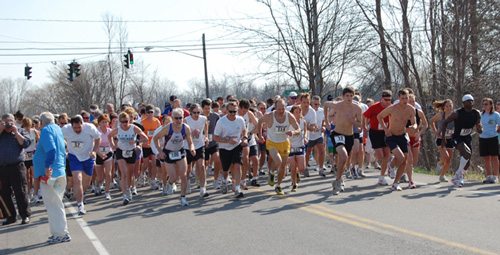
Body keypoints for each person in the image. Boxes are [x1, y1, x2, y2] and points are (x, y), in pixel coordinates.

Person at [33, 112, 71, 244]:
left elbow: (51, 150)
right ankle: (57, 232)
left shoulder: (46, 131)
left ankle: (61, 234)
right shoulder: (57, 129)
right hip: (59, 170)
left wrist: (47, 167)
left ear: (42, 122)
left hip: (51, 173)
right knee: (55, 204)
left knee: (53, 204)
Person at [153, 108, 196, 205]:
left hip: (180, 152)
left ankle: (183, 197)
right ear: (173, 118)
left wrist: (192, 149)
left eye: (180, 118)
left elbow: (190, 142)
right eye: (176, 118)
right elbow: (156, 138)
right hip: (168, 153)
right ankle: (170, 183)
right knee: (174, 177)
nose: (178, 120)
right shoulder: (168, 128)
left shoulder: (186, 128)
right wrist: (160, 151)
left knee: (184, 176)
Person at [324, 87, 362, 195]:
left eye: (351, 96)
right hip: (337, 133)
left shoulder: (357, 108)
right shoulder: (337, 105)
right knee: (344, 156)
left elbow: (361, 124)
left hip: (349, 135)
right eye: (347, 96)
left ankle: (338, 179)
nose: (349, 98)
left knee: (344, 159)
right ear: (343, 96)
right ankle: (339, 180)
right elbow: (326, 105)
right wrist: (327, 122)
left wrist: (352, 121)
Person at [258, 99, 301, 195]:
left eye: (283, 108)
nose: (281, 111)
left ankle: (278, 185)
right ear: (275, 107)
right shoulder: (270, 116)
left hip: (284, 142)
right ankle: (272, 172)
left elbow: (298, 129)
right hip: (272, 142)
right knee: (278, 161)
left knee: (283, 166)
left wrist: (293, 132)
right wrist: (260, 135)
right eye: (279, 109)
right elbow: (260, 121)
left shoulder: (289, 116)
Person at [377, 89, 416, 191]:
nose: (405, 100)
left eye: (406, 98)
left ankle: (395, 183)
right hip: (391, 136)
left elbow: (414, 122)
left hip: (402, 135)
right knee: (401, 157)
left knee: (404, 160)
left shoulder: (411, 109)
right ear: (398, 98)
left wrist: (414, 127)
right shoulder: (392, 108)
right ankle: (391, 165)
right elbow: (379, 116)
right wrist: (385, 130)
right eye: (402, 98)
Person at [62, 116, 102, 215]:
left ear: (82, 124)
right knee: (77, 179)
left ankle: (82, 193)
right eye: (75, 128)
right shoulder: (65, 129)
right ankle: (80, 205)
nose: (77, 130)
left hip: (88, 157)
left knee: (86, 182)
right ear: (71, 126)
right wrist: (64, 148)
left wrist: (94, 151)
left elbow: (98, 138)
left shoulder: (90, 127)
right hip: (74, 156)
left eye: (79, 128)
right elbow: (58, 138)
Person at [441, 94, 482, 187]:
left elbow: (480, 129)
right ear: (464, 103)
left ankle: (457, 175)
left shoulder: (476, 113)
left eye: (472, 100)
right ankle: (458, 176)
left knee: (467, 163)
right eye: (468, 100)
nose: (470, 102)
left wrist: (480, 128)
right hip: (457, 137)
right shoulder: (457, 113)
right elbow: (445, 123)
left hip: (467, 137)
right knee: (466, 153)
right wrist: (443, 138)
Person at [109, 111, 148, 205]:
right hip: (121, 151)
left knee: (130, 175)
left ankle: (129, 189)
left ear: (129, 121)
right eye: (122, 122)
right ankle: (124, 195)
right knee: (124, 174)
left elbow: (145, 138)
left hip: (131, 151)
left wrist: (136, 141)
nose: (124, 124)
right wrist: (113, 145)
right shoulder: (118, 129)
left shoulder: (134, 128)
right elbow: (109, 136)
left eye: (126, 121)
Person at [0, 113, 31, 225]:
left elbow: (26, 143)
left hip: (16, 166)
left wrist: (16, 132)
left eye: (10, 122)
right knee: (4, 192)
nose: (8, 124)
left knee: (20, 191)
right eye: (6, 122)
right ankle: (10, 216)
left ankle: (25, 215)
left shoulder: (20, 131)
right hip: (2, 167)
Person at [214, 102, 249, 197]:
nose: (233, 113)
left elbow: (244, 129)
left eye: (235, 111)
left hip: (236, 146)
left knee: (237, 165)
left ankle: (237, 187)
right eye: (231, 111)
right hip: (224, 148)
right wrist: (228, 140)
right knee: (225, 170)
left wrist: (245, 138)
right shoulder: (221, 122)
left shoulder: (240, 119)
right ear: (226, 111)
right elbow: (215, 137)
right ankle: (224, 181)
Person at [363, 90, 393, 185]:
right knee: (380, 155)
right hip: (375, 132)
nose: (387, 102)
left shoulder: (391, 108)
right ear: (381, 98)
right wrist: (364, 127)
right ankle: (373, 155)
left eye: (389, 99)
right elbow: (364, 116)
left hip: (386, 132)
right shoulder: (374, 107)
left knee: (387, 155)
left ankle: (381, 176)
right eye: (385, 99)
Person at [184, 103, 209, 197]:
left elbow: (206, 127)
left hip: (199, 145)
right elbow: (184, 134)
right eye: (194, 112)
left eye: (198, 112)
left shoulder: (203, 119)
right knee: (188, 168)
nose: (196, 114)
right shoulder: (186, 120)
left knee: (202, 166)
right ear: (190, 112)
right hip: (188, 146)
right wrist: (192, 134)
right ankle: (187, 183)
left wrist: (206, 137)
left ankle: (203, 189)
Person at [429, 99, 455, 182]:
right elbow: (431, 121)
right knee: (446, 157)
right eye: (447, 106)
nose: (449, 108)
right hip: (440, 138)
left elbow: (459, 125)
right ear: (444, 107)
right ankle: (440, 164)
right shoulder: (441, 115)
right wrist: (435, 131)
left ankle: (442, 175)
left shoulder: (455, 115)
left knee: (449, 159)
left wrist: (455, 132)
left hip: (450, 139)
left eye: (450, 106)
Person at [237, 99, 258, 190]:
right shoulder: (234, 113)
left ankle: (243, 179)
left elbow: (258, 125)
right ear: (239, 108)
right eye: (243, 110)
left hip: (248, 139)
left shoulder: (249, 114)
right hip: (236, 140)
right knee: (237, 162)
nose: (244, 112)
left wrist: (251, 132)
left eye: (246, 111)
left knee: (246, 159)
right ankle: (235, 179)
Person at [202, 99, 222, 190]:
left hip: (213, 142)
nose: (207, 110)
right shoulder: (199, 117)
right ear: (202, 108)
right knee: (204, 164)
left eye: (209, 108)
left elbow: (220, 124)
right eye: (206, 108)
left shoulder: (215, 116)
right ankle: (202, 179)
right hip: (203, 143)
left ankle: (216, 180)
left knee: (217, 160)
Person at [479, 98, 500, 184]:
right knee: (486, 157)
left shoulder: (496, 115)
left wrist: (494, 133)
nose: (485, 106)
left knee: (494, 157)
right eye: (484, 104)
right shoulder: (481, 115)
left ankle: (495, 177)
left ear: (491, 105)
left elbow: (499, 126)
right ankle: (489, 176)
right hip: (483, 138)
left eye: (486, 104)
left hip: (493, 138)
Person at [141, 104, 161, 190]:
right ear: (146, 113)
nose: (150, 114)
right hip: (145, 145)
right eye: (148, 112)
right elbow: (139, 134)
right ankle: (141, 174)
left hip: (153, 145)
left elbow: (160, 133)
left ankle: (152, 179)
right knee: (145, 163)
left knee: (154, 163)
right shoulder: (142, 122)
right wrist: (143, 141)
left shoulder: (157, 121)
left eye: (151, 112)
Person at [288, 105, 307, 191]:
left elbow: (305, 131)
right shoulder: (288, 122)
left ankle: (297, 173)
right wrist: (288, 143)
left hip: (300, 145)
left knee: (302, 168)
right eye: (296, 112)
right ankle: (294, 184)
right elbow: (285, 134)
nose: (298, 114)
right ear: (292, 113)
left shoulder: (303, 122)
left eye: (299, 112)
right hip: (291, 146)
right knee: (293, 167)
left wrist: (305, 138)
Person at [95, 114, 114, 200]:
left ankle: (107, 192)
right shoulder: (96, 131)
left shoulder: (110, 131)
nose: (104, 124)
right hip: (98, 153)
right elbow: (93, 144)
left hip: (108, 153)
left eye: (106, 122)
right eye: (102, 122)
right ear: (99, 123)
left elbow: (112, 143)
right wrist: (99, 153)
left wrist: (111, 150)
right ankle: (98, 185)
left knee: (108, 173)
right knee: (99, 176)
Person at [21, 118, 39, 202]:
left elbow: (38, 141)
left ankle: (36, 194)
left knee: (34, 174)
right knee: (26, 176)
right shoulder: (21, 132)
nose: (27, 129)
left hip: (33, 154)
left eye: (28, 126)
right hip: (25, 155)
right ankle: (28, 193)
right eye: (26, 127)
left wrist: (35, 148)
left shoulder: (34, 131)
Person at [307, 95, 326, 176]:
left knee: (322, 150)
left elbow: (324, 121)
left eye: (319, 104)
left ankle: (321, 168)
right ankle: (305, 168)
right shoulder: (309, 111)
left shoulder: (321, 111)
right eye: (315, 104)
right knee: (308, 152)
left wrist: (324, 126)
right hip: (309, 135)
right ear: (311, 103)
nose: (317, 106)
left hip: (318, 134)